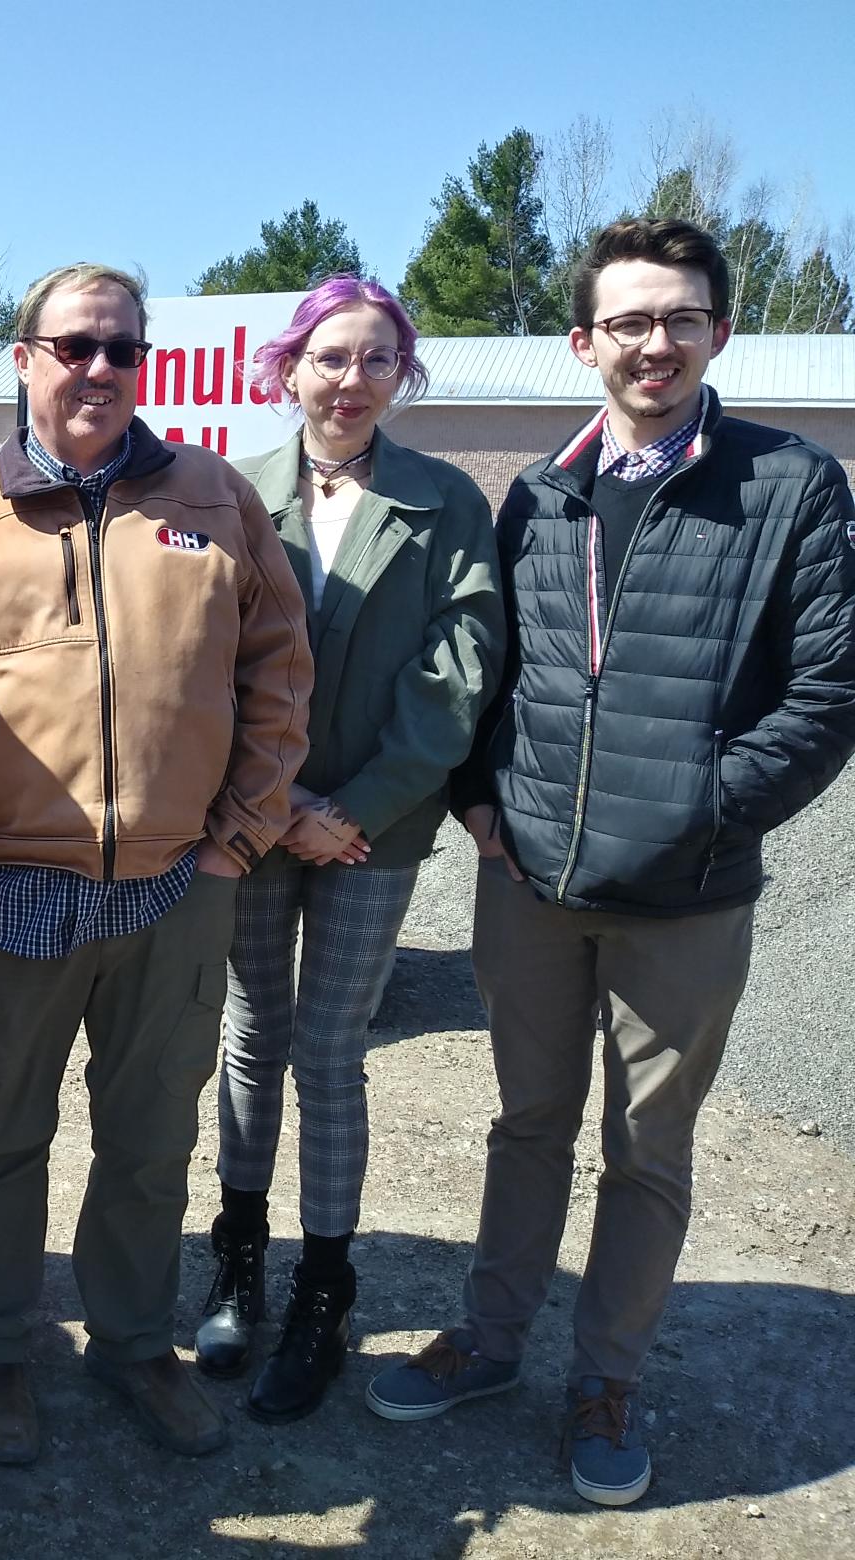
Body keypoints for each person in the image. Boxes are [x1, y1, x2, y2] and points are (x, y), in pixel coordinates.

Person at [367, 219, 855, 1508]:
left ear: (718, 333)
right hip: (528, 882)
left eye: (680, 317)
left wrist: (700, 811)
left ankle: (607, 1377)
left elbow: (823, 696)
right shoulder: (543, 491)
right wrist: (478, 797)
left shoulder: (787, 486)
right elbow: (496, 672)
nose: (655, 341)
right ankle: (489, 1337)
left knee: (646, 1146)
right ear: (582, 341)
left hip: (684, 899)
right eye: (628, 321)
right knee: (525, 1123)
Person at [0, 262, 314, 1466]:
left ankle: (134, 1338)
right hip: (9, 887)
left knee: (149, 1138)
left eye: (122, 349)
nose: (100, 369)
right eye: (75, 345)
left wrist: (235, 838)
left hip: (176, 886)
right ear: (25, 358)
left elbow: (278, 673)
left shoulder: (210, 498)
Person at [190, 278, 503, 1424]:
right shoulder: (230, 495)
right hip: (254, 817)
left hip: (375, 829)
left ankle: (324, 1289)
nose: (351, 380)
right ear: (288, 368)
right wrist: (276, 805)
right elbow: (204, 664)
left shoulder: (443, 504)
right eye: (329, 358)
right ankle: (238, 1261)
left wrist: (352, 806)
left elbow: (456, 678)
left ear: (401, 376)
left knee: (329, 1050)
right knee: (249, 1034)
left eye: (377, 360)